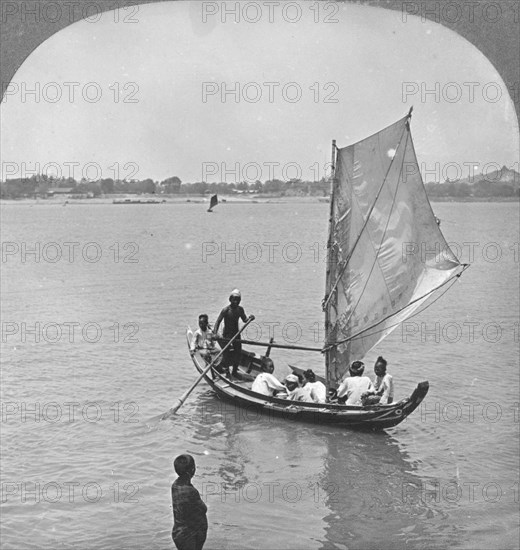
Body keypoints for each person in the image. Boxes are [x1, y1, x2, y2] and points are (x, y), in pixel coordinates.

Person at [171, 454, 208, 550]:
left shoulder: (175, 485)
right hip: (189, 536)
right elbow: (203, 508)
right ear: (192, 470)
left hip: (180, 533)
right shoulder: (190, 491)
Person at [214, 289, 252, 378]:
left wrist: (250, 318)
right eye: (234, 299)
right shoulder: (226, 310)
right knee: (227, 353)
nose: (236, 301)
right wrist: (215, 333)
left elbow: (245, 320)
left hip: (236, 334)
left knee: (238, 353)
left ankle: (234, 371)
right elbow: (218, 322)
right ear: (230, 299)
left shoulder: (240, 310)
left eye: (238, 300)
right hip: (227, 335)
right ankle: (227, 371)